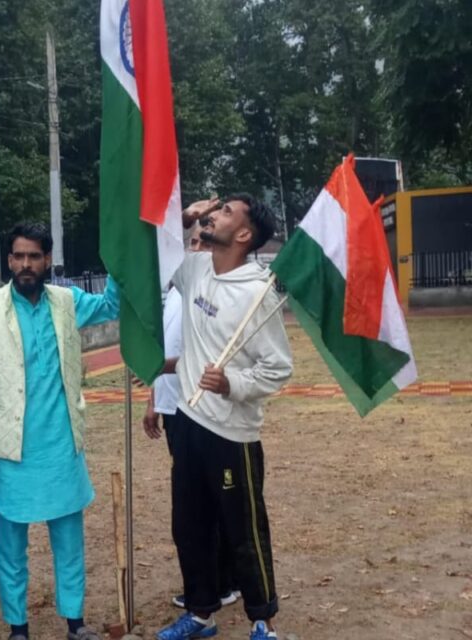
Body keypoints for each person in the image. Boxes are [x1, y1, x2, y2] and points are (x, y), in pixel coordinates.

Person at [0, 221, 121, 640]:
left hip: (61, 447)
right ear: (10, 260)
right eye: (19, 256)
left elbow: (112, 305)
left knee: (69, 544)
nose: (27, 264)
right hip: (10, 450)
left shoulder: (68, 301)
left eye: (35, 256)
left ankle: (75, 621)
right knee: (11, 549)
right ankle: (18, 627)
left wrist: (123, 257)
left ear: (47, 259)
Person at [155, 195, 292, 640]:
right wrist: (183, 217)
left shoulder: (257, 292)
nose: (214, 214)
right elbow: (155, 252)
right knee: (188, 525)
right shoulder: (195, 270)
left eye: (226, 212)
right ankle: (200, 614)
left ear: (245, 235)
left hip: (232, 433)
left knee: (243, 530)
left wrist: (232, 382)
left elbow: (277, 368)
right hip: (189, 421)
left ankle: (262, 620)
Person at [143, 224, 241, 612]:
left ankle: (223, 582)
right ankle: (203, 581)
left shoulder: (214, 293)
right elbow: (167, 344)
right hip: (175, 406)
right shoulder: (177, 289)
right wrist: (154, 400)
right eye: (192, 242)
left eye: (203, 242)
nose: (195, 248)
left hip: (202, 406)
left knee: (212, 500)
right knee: (190, 501)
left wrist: (165, 367)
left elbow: (213, 355)